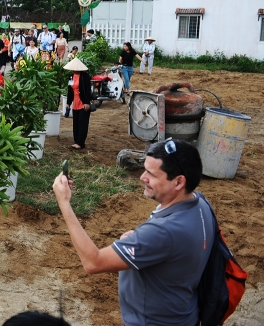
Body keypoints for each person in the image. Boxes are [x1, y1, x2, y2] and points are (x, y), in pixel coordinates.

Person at [52, 139, 214, 326]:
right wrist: (140, 241)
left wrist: (64, 203)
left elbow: (93, 262)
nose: (142, 177)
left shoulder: (163, 232)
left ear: (179, 182)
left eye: (151, 174)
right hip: (183, 316)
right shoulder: (200, 203)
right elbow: (171, 248)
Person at [64, 57, 94, 149]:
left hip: (83, 102)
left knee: (82, 122)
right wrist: (68, 103)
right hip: (75, 102)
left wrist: (87, 102)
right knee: (75, 122)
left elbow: (88, 90)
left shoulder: (84, 76)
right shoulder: (71, 76)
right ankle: (76, 141)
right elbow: (70, 90)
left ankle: (80, 142)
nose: (73, 70)